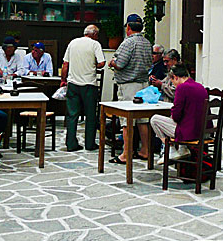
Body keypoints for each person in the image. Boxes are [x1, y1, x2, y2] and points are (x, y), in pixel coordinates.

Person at [107, 13, 153, 164]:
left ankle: (126, 154)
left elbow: (120, 64)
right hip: (144, 85)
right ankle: (145, 150)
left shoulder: (128, 43)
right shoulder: (147, 42)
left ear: (128, 27)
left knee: (127, 121)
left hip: (129, 85)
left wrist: (112, 62)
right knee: (143, 120)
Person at [61, 24, 106, 152]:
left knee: (72, 115)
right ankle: (90, 143)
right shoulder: (95, 44)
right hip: (89, 84)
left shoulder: (73, 43)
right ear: (95, 34)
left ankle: (71, 143)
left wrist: (63, 80)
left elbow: (65, 64)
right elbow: (102, 63)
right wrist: (93, 65)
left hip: (73, 84)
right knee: (90, 115)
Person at [150, 65, 208, 160]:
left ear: (175, 77)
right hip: (204, 130)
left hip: (191, 132)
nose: (173, 84)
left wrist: (173, 113)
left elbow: (176, 115)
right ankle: (182, 149)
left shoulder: (182, 88)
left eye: (172, 81)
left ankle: (171, 149)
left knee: (154, 119)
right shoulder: (200, 87)